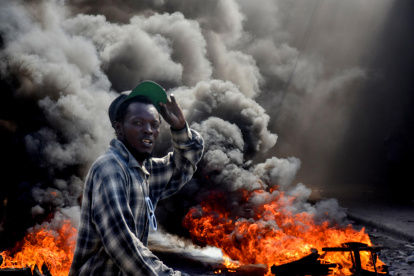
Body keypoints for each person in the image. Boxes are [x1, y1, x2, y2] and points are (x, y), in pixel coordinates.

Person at [69, 81, 204, 276]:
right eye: (138, 123)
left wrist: (180, 127)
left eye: (154, 124)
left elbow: (185, 164)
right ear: (119, 128)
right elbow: (122, 244)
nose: (148, 130)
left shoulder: (144, 171)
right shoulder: (110, 170)